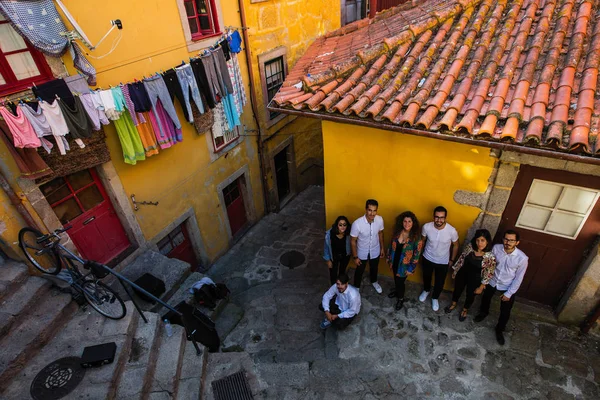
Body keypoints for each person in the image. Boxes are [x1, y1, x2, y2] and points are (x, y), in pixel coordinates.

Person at [474, 229, 528, 345]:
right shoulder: (496, 248)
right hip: (492, 281)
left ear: (517, 242)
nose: (508, 242)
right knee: (486, 299)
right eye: (506, 239)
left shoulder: (522, 258)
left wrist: (509, 293)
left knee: (505, 311)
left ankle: (499, 330)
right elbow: (489, 264)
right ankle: (483, 313)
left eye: (511, 240)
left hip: (507, 285)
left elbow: (519, 278)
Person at [445, 229, 496, 321]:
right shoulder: (470, 247)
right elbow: (462, 258)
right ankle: (453, 304)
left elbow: (489, 273)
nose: (479, 243)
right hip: (462, 274)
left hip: (475, 279)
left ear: (487, 241)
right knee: (457, 290)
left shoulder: (490, 257)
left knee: (470, 295)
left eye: (482, 240)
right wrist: (455, 271)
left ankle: (465, 310)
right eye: (477, 240)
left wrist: (481, 286)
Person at [420, 206, 459, 311]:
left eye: (442, 217)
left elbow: (456, 245)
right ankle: (426, 290)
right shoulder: (426, 227)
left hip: (443, 261)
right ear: (433, 217)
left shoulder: (452, 231)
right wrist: (419, 254)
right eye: (437, 217)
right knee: (426, 277)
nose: (439, 220)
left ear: (445, 218)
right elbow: (422, 241)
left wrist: (451, 260)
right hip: (427, 257)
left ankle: (435, 297)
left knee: (440, 282)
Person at [386, 211, 424, 310]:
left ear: (413, 223)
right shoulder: (397, 233)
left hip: (404, 265)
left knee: (400, 282)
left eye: (409, 221)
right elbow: (391, 245)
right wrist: (389, 257)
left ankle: (400, 298)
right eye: (405, 221)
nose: (407, 224)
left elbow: (416, 255)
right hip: (394, 261)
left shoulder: (416, 238)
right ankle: (397, 291)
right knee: (395, 278)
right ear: (401, 222)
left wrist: (411, 268)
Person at [350, 199, 385, 293]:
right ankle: (356, 287)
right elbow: (353, 241)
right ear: (366, 209)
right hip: (362, 251)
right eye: (370, 210)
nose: (372, 213)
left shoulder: (380, 219)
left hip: (375, 249)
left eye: (374, 210)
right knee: (359, 270)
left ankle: (374, 281)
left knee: (374, 267)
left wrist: (382, 248)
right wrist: (355, 256)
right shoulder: (357, 224)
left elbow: (380, 233)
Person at [323, 216, 352, 285]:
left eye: (344, 225)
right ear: (337, 225)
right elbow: (326, 248)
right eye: (340, 225)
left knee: (342, 273)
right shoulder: (330, 234)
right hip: (333, 257)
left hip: (345, 256)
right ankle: (333, 288)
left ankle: (341, 286)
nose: (342, 227)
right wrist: (328, 260)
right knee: (333, 274)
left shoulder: (348, 234)